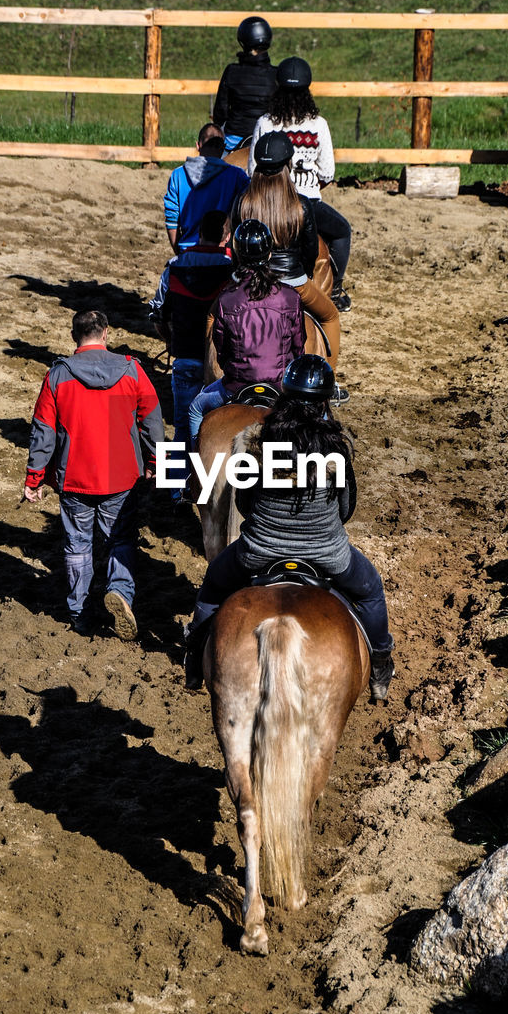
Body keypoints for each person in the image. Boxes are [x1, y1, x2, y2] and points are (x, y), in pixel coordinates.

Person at [183, 354, 395, 703]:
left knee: (212, 586)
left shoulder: (256, 440)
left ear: (285, 392)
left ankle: (194, 660)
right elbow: (345, 510)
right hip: (327, 555)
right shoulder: (336, 448)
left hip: (259, 552)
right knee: (371, 589)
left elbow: (244, 504)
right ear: (326, 400)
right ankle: (380, 668)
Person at [23, 308, 164, 639]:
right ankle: (120, 593)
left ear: (74, 337)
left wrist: (34, 477)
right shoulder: (132, 370)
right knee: (122, 540)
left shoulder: (57, 376)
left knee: (77, 545)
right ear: (106, 334)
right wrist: (158, 464)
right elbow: (154, 420)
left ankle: (80, 612)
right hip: (123, 478)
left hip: (75, 479)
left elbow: (42, 431)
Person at [230, 130, 348, 403]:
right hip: (293, 282)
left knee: (213, 317)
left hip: (247, 278)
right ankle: (328, 382)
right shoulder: (301, 206)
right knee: (331, 316)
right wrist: (300, 276)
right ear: (287, 166)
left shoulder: (242, 202)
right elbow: (308, 255)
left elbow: (237, 247)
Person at [249, 56, 353, 312]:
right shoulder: (319, 125)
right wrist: (308, 185)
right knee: (342, 232)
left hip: (267, 201)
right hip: (307, 202)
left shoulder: (265, 122)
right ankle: (336, 289)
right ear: (308, 89)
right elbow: (328, 172)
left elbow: (253, 171)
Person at [187, 220, 305, 445]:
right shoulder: (291, 297)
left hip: (237, 386)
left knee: (195, 409)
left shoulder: (227, 299)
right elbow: (299, 349)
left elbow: (221, 353)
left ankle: (194, 473)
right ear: (270, 254)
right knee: (320, 415)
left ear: (238, 255)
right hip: (281, 385)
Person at [150, 210, 234, 498]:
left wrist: (170, 340)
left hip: (185, 357)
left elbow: (157, 313)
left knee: (183, 427)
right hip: (221, 364)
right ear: (227, 236)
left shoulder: (175, 267)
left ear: (199, 233)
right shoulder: (232, 269)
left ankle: (175, 492)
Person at [163, 122, 249, 254]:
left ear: (198, 145)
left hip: (188, 250)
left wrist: (180, 252)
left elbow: (172, 221)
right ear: (223, 148)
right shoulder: (237, 176)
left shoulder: (178, 175)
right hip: (222, 253)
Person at [213, 16, 278, 153]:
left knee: (217, 170)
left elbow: (220, 112)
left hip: (234, 139)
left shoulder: (231, 71)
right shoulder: (276, 74)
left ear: (243, 42)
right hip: (267, 137)